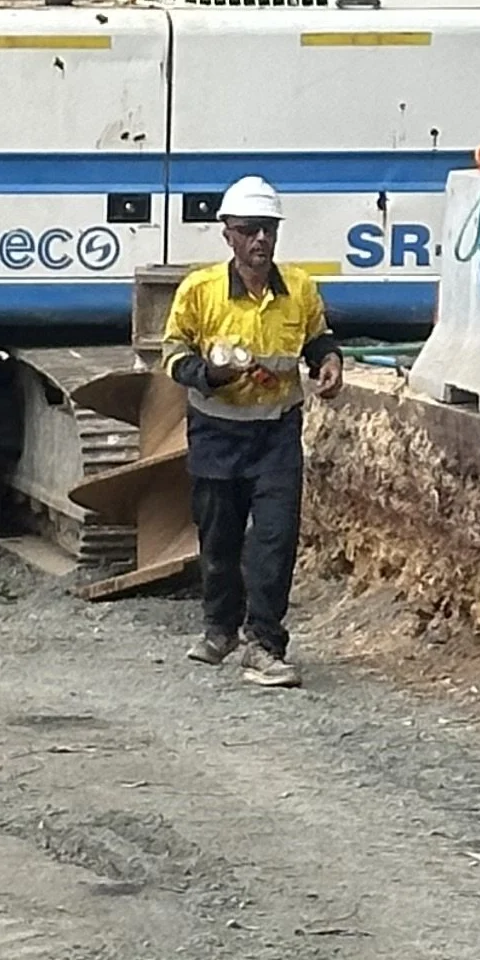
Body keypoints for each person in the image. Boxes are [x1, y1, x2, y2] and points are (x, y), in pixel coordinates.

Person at [162, 173, 343, 687]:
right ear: (228, 235)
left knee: (274, 540)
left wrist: (329, 361)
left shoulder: (299, 290)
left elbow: (317, 340)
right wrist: (208, 375)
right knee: (218, 540)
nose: (260, 240)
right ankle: (220, 628)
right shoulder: (201, 292)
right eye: (248, 230)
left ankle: (264, 643)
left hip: (276, 437)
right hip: (217, 433)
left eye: (267, 229)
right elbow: (172, 353)